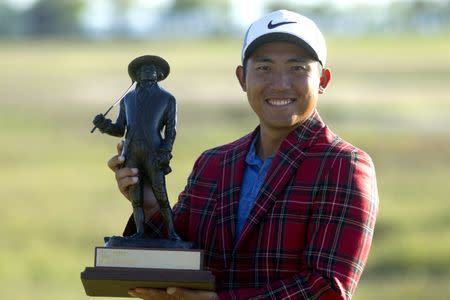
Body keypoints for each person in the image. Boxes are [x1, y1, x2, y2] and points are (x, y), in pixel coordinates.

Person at [108, 10, 379, 300]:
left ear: (323, 80)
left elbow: (327, 288)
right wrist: (150, 208)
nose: (280, 84)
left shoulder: (344, 165)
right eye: (264, 68)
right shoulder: (213, 164)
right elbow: (180, 255)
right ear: (242, 78)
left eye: (297, 68)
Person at [93, 55, 180, 241]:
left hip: (154, 152)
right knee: (136, 196)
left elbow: (171, 131)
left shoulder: (167, 99)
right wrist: (104, 125)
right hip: (131, 152)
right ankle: (140, 233)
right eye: (143, 70)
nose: (147, 72)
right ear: (137, 76)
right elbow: (120, 129)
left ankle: (172, 233)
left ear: (159, 75)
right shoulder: (128, 99)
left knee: (160, 194)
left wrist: (165, 152)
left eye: (152, 70)